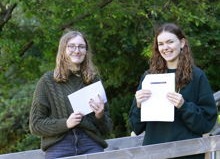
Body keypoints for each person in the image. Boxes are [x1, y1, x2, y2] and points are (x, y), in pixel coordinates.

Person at [129, 23, 217, 159]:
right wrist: (139, 105)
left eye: (170, 42)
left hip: (188, 153)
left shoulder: (197, 76)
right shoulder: (149, 77)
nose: (166, 48)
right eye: (161, 44)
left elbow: (206, 123)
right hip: (155, 153)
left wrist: (184, 106)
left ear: (182, 43)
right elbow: (136, 127)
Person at [29, 30, 112, 159]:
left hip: (90, 143)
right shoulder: (47, 81)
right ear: (63, 50)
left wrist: (99, 115)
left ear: (86, 51)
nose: (77, 50)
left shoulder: (93, 81)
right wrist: (66, 123)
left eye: (81, 47)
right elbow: (35, 125)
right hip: (59, 145)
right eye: (71, 46)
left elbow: (107, 129)